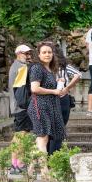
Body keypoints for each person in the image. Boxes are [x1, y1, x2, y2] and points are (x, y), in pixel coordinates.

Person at [28, 42, 66, 170]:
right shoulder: (37, 68)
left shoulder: (50, 69)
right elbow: (35, 88)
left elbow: (51, 88)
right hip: (39, 107)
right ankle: (45, 172)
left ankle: (30, 171)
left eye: (49, 52)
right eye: (44, 52)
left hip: (49, 106)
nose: (47, 54)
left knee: (41, 140)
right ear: (38, 55)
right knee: (43, 138)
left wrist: (58, 85)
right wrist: (54, 91)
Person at [48, 46, 81, 155]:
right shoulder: (62, 67)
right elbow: (78, 75)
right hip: (57, 98)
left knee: (55, 128)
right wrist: (67, 88)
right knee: (58, 127)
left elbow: (78, 75)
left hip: (57, 98)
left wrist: (67, 88)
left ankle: (51, 154)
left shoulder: (61, 67)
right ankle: (53, 154)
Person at [8, 45, 32, 173]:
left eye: (29, 54)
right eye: (25, 54)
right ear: (18, 54)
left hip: (18, 106)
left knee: (23, 134)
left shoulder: (16, 66)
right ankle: (16, 164)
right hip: (21, 107)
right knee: (21, 135)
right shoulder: (21, 67)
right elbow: (21, 90)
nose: (28, 56)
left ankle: (18, 163)